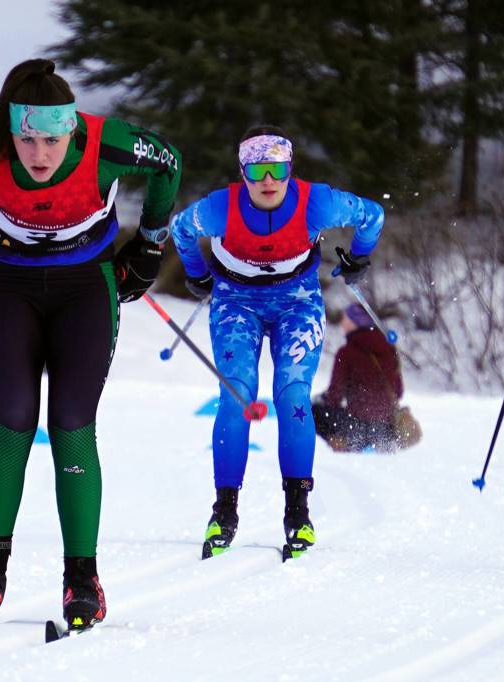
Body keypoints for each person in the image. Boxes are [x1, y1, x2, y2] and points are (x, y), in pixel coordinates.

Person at [0, 59, 181, 630]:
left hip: (85, 286)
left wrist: (149, 242)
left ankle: (81, 579)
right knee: (13, 418)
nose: (39, 153)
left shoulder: (108, 144)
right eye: (27, 139)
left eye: (51, 138)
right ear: (11, 132)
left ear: (72, 128)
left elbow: (169, 164)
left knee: (71, 422)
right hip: (8, 285)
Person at [169, 125, 384, 561]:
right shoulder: (220, 208)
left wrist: (359, 258)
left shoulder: (316, 202)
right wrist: (196, 273)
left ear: (290, 168)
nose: (268, 180)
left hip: (297, 302)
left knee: (292, 395)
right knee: (237, 395)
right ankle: (224, 512)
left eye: (278, 169)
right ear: (243, 171)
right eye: (257, 169)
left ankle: (298, 514)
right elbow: (180, 229)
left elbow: (372, 215)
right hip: (235, 301)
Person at [312, 303, 405, 452]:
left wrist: (320, 401)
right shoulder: (389, 349)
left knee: (312, 412)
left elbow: (335, 396)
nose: (342, 323)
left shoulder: (347, 352)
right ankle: (379, 444)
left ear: (354, 322)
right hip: (387, 427)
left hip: (356, 426)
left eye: (345, 319)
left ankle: (343, 444)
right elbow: (398, 392)